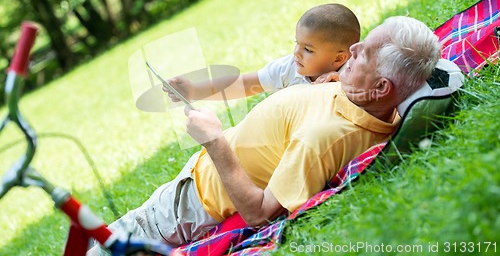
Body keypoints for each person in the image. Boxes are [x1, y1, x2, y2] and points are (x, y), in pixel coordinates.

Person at [89, 16, 441, 255]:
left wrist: (213, 140)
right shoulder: (358, 95)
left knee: (100, 247)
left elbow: (260, 213)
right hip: (194, 186)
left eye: (364, 53)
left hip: (191, 205)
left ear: (381, 87)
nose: (352, 50)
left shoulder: (324, 137)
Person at [165, 3, 360, 102]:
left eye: (308, 49)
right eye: (297, 44)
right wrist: (195, 91)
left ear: (339, 58)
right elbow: (243, 84)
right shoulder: (287, 69)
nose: (296, 53)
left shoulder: (354, 71)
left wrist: (342, 81)